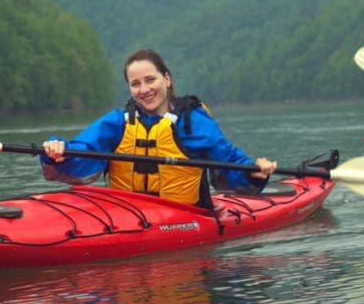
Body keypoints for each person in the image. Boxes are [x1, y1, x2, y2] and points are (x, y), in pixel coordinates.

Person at [40, 48, 277, 208]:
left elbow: (228, 162)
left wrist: (252, 171)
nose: (144, 89)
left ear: (167, 79)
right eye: (135, 84)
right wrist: (57, 152)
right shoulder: (117, 122)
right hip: (125, 214)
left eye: (150, 80)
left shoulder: (192, 121)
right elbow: (82, 154)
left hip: (185, 218)